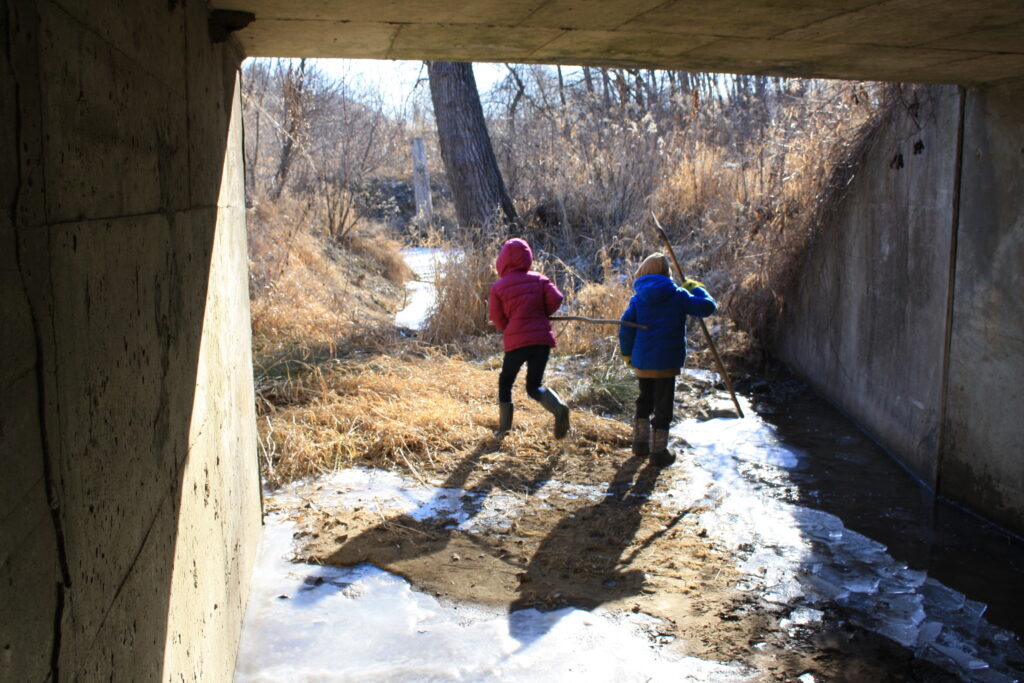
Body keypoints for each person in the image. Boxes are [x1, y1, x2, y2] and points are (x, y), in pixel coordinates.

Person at [618, 253, 717, 466]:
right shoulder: (678, 295)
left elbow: (625, 327)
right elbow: (708, 307)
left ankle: (640, 444)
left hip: (643, 360)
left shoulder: (638, 298)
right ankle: (658, 452)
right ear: (666, 273)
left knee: (644, 400)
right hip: (667, 361)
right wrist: (696, 287)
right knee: (663, 406)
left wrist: (627, 354)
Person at [488, 238, 569, 439]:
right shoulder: (539, 279)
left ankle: (503, 429)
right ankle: (558, 408)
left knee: (505, 382)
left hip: (517, 343)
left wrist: (510, 327)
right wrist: (542, 313)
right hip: (542, 341)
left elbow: (498, 320)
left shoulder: (498, 287)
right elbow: (557, 298)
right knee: (534, 386)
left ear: (502, 261)